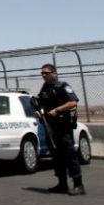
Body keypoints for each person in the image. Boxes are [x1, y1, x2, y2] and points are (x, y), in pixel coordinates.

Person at [36, 64, 86, 196]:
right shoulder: (44, 89)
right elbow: (41, 104)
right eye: (42, 73)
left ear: (54, 73)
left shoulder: (62, 86)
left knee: (69, 155)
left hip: (63, 126)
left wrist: (57, 110)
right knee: (56, 156)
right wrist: (39, 111)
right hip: (50, 127)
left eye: (46, 73)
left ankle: (78, 184)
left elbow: (73, 102)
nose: (44, 76)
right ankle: (62, 184)